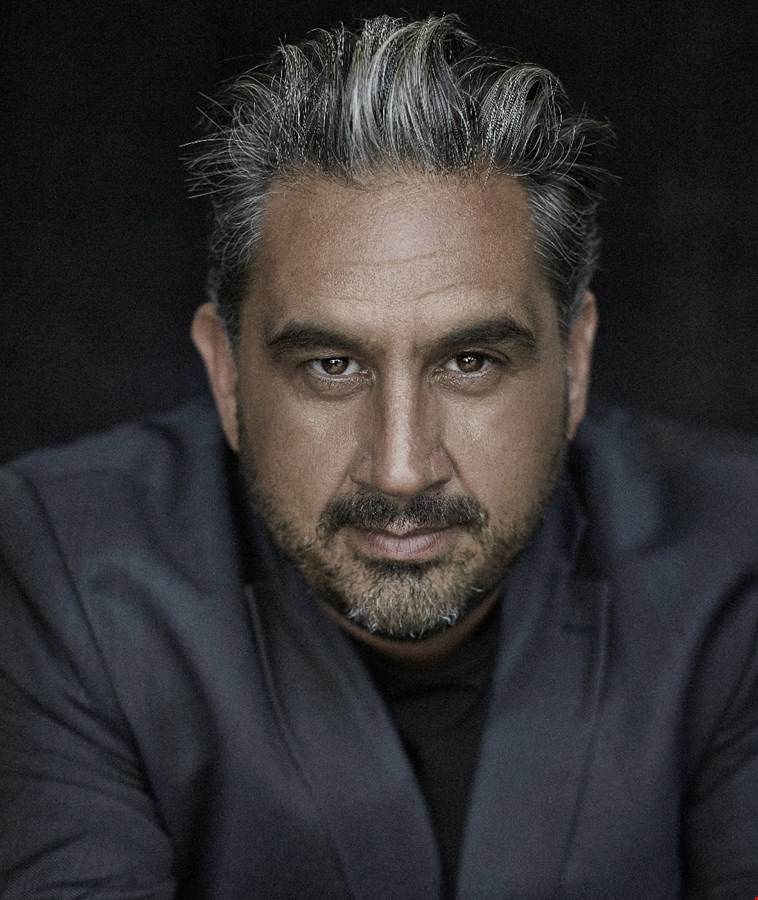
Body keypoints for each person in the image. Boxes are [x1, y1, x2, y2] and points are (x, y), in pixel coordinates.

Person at [0, 14, 756, 900]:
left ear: (576, 362)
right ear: (227, 375)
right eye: (331, 365)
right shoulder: (61, 567)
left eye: (471, 362)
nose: (400, 469)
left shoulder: (735, 554)